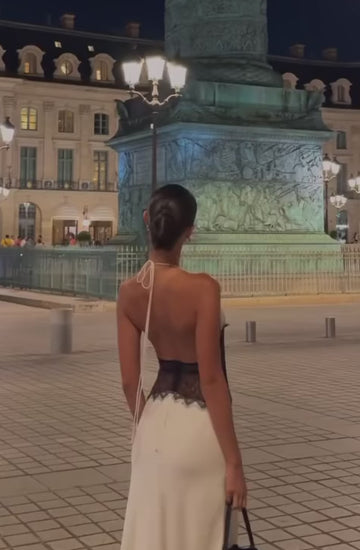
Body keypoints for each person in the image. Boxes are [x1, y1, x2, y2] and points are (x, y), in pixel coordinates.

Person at [117, 184, 247, 550]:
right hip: (198, 430)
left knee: (155, 535)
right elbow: (211, 379)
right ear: (189, 231)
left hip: (153, 425)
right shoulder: (203, 288)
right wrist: (234, 462)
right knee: (198, 535)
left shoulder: (129, 292)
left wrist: (146, 425)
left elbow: (129, 381)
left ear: (147, 220)